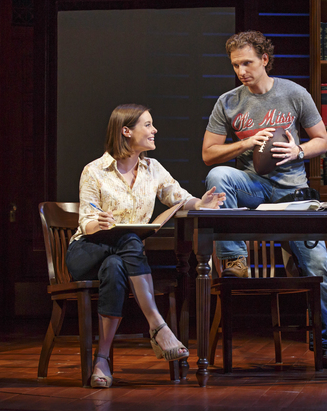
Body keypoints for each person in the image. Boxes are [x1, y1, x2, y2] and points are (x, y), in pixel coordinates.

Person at [202, 31, 327, 371]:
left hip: (292, 196)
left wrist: (299, 150)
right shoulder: (228, 102)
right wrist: (246, 143)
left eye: (248, 63)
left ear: (265, 60)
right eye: (236, 65)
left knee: (319, 270)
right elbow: (209, 155)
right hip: (253, 188)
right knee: (218, 177)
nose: (241, 70)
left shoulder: (293, 94)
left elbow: (322, 142)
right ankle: (235, 260)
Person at [66, 104, 226, 388]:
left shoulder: (153, 169)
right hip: (86, 250)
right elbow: (86, 222)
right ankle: (157, 325)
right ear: (126, 131)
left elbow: (178, 196)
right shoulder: (94, 171)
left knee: (116, 267)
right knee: (128, 240)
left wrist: (202, 203)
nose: (155, 130)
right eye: (148, 125)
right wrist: (99, 223)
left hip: (120, 258)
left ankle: (101, 360)